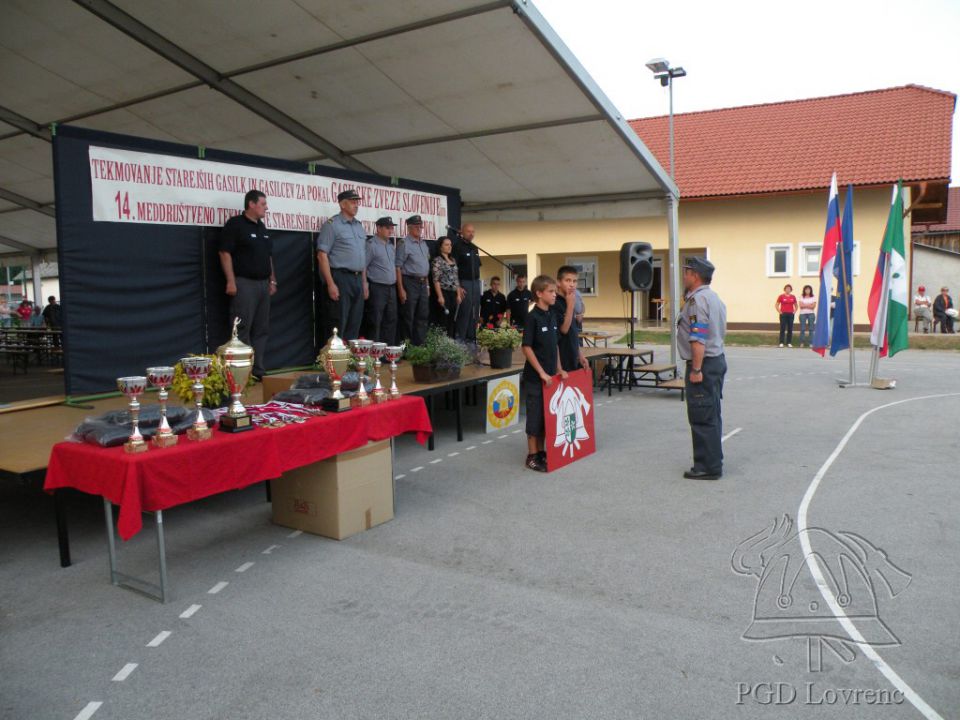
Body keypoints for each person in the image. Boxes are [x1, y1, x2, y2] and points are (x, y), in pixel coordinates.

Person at [678, 257, 727, 480]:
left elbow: (698, 338)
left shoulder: (697, 301)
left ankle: (707, 466)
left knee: (701, 415)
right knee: (712, 413)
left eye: (686, 272)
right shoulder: (714, 298)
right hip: (716, 360)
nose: (684, 275)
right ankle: (714, 459)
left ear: (695, 275)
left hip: (704, 363)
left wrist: (696, 370)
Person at [218, 190, 276, 380]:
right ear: (251, 204)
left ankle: (258, 370)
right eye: (263, 204)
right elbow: (224, 253)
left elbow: (269, 257)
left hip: (262, 284)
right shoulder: (235, 225)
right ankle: (242, 371)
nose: (266, 207)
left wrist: (272, 279)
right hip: (244, 283)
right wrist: (231, 280)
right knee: (242, 327)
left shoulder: (262, 227)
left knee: (262, 328)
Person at [521, 275, 567, 473]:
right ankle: (531, 456)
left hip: (550, 377)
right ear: (539, 294)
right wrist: (541, 372)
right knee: (535, 417)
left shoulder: (552, 315)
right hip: (535, 378)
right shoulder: (533, 317)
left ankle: (541, 452)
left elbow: (554, 345)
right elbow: (526, 348)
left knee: (546, 417)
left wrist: (558, 368)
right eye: (551, 291)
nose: (554, 294)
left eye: (555, 291)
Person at [317, 188, 367, 341]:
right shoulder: (332, 225)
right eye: (353, 202)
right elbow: (322, 255)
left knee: (355, 321)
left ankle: (350, 360)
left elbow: (362, 256)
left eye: (357, 202)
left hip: (358, 278)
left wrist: (364, 282)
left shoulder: (359, 226)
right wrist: (330, 283)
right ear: (343, 205)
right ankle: (335, 360)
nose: (356, 205)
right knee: (339, 320)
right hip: (341, 277)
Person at [396, 215, 431, 345]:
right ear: (409, 227)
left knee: (422, 315)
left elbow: (425, 266)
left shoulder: (423, 243)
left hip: (423, 283)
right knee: (408, 316)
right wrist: (401, 289)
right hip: (409, 282)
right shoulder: (404, 243)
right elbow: (398, 267)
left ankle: (419, 345)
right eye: (416, 227)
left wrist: (427, 286)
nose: (419, 229)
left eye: (420, 226)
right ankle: (407, 347)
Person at [365, 217, 398, 344]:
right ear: (378, 228)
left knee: (391, 319)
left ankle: (388, 352)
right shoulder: (371, 245)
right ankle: (375, 354)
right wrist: (365, 284)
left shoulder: (390, 246)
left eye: (391, 228)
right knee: (376, 320)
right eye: (387, 228)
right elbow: (364, 266)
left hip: (391, 287)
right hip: (377, 287)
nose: (391, 231)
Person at [554, 266, 589, 372]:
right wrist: (570, 306)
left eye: (574, 281)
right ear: (559, 282)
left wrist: (580, 354)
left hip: (573, 356)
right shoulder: (554, 303)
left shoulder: (569, 299)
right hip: (561, 360)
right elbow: (564, 329)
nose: (572, 284)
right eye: (567, 280)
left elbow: (572, 331)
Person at [453, 223, 482, 343]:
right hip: (464, 282)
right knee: (465, 312)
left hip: (475, 283)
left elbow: (478, 266)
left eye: (473, 232)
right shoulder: (457, 246)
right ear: (462, 232)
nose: (471, 234)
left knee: (475, 313)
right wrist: (458, 286)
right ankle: (461, 340)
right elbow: (454, 268)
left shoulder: (474, 247)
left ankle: (472, 340)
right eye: (469, 231)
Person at [431, 236, 460, 338]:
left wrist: (459, 294)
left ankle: (452, 342)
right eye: (446, 245)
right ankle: (443, 344)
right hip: (444, 292)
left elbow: (456, 278)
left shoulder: (453, 259)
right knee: (444, 319)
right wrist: (440, 296)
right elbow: (436, 279)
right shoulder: (437, 260)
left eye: (450, 244)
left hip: (453, 293)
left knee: (453, 319)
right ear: (440, 247)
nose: (449, 247)